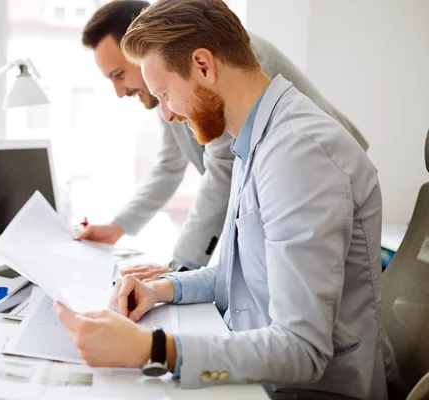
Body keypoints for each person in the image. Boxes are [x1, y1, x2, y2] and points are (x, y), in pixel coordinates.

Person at [55, 0, 403, 398]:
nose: (167, 116)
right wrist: (165, 287)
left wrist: (151, 349)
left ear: (203, 66)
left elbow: (303, 350)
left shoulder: (298, 156)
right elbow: (248, 273)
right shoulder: (252, 138)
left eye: (166, 93)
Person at [77, 0, 368, 282]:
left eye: (118, 75)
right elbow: (170, 165)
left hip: (320, 177)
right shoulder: (169, 89)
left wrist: (182, 265)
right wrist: (118, 228)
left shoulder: (218, 68)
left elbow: (223, 165)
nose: (118, 91)